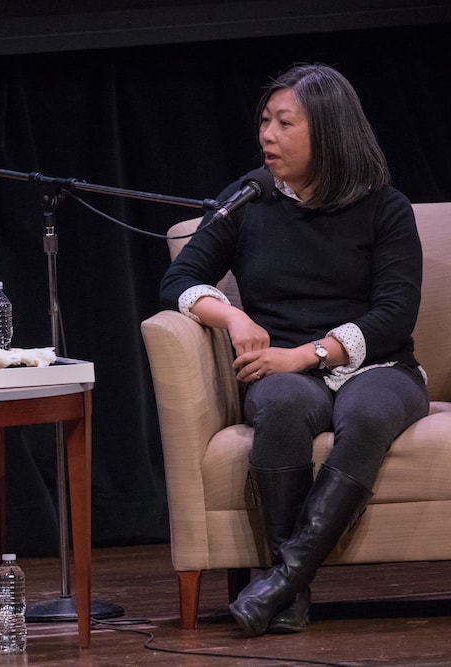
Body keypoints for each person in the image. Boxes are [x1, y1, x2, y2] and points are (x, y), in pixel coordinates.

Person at [160, 64, 429, 637]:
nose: (267, 135)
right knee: (280, 409)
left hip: (375, 363)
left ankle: (281, 582)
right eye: (265, 121)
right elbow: (179, 279)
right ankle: (290, 591)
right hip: (282, 369)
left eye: (284, 123)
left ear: (328, 132)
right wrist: (232, 315)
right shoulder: (249, 197)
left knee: (367, 416)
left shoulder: (385, 207)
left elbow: (393, 315)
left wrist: (306, 354)